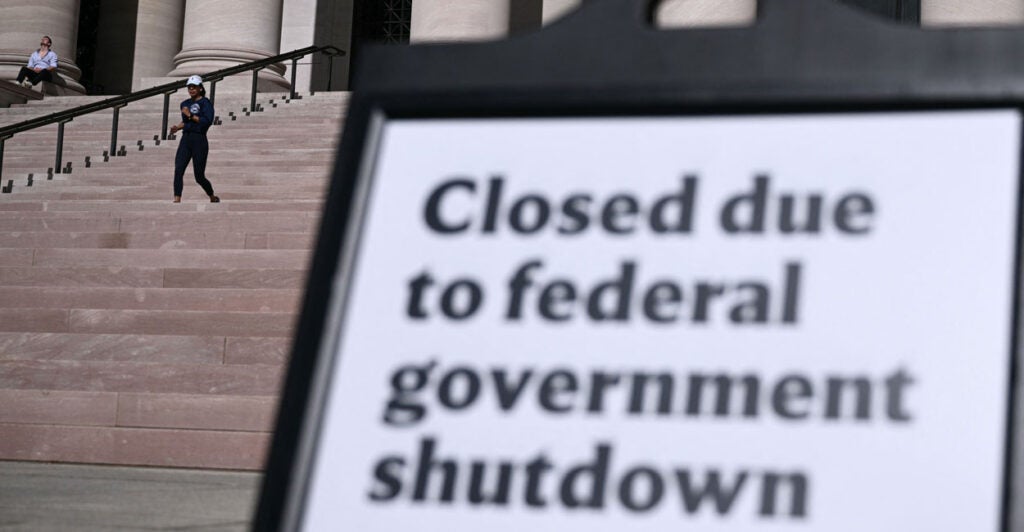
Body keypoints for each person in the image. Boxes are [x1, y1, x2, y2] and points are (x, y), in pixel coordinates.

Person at [169, 75, 220, 203]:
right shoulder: (185, 104)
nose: (191, 89)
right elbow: (186, 122)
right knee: (179, 169)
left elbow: (206, 121)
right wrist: (177, 127)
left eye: (194, 87)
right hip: (186, 139)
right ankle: (177, 198)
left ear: (200, 88)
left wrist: (190, 115)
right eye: (189, 87)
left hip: (199, 139)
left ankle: (211, 195)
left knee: (199, 176)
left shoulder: (205, 103)